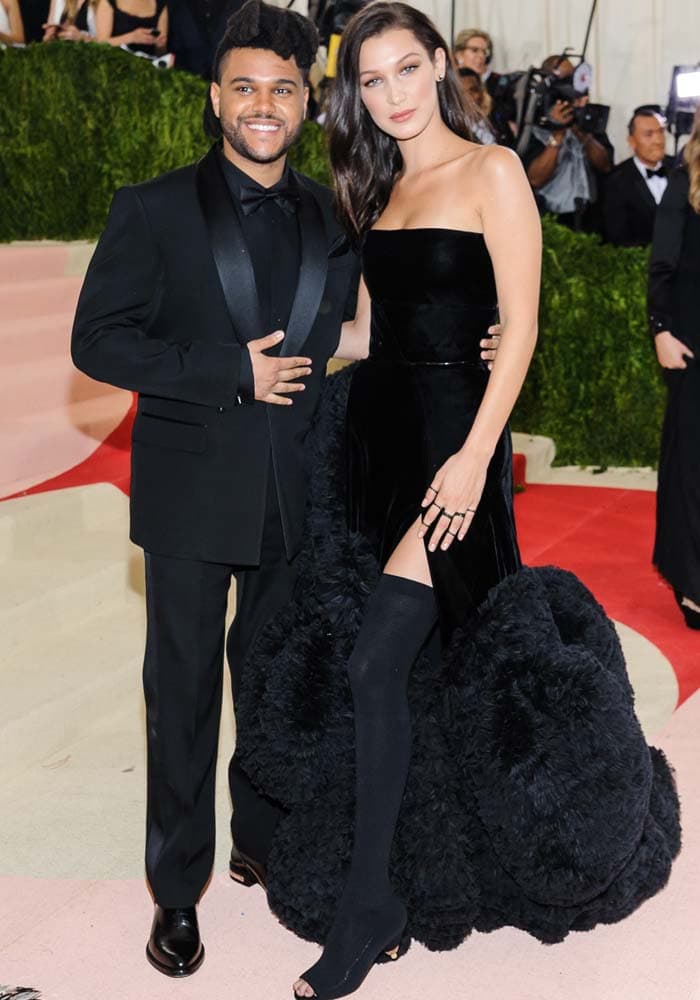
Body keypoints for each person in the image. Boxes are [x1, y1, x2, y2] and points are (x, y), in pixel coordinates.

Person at [224, 5, 679, 999]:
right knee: (412, 669)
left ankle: (370, 907)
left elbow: (517, 329)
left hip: (451, 449)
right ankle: (411, 861)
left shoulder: (493, 171)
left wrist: (477, 457)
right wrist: (261, 346)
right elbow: (368, 335)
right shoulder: (381, 187)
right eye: (371, 80)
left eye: (403, 70)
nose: (389, 94)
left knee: (379, 652)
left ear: (438, 65)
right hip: (383, 445)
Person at [71, 0, 504, 978]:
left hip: (298, 494)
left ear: (306, 101)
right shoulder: (151, 207)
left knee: (271, 683)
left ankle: (256, 832)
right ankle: (176, 893)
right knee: (179, 697)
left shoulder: (331, 212)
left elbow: (371, 327)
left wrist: (467, 338)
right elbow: (95, 340)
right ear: (213, 98)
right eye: (243, 88)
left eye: (281, 89)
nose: (262, 105)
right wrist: (228, 369)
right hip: (188, 497)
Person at [648, 105, 700, 629]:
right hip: (693, 346)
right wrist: (660, 329)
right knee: (692, 470)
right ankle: (694, 583)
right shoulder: (684, 181)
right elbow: (662, 262)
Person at [520, 54, 613, 233]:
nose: (573, 87)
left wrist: (583, 132)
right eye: (565, 80)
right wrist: (558, 133)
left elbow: (605, 165)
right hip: (551, 222)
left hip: (591, 219)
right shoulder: (532, 123)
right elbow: (534, 179)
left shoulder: (586, 119)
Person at [604, 106, 676, 246]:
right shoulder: (617, 181)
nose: (658, 140)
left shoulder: (680, 170)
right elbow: (617, 238)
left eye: (661, 132)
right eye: (649, 134)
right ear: (632, 141)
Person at [167, 0, 242, 77]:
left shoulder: (242, 5)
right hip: (188, 78)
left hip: (230, 77)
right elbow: (173, 47)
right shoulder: (177, 6)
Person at [95, 0, 168, 54]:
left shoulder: (161, 4)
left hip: (146, 67)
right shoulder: (108, 2)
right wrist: (132, 37)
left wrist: (160, 45)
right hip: (113, 64)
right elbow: (100, 44)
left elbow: (160, 53)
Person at [457, 67, 496, 144]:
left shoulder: (496, 119)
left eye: (473, 90)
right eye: (462, 93)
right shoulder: (455, 131)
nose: (469, 97)